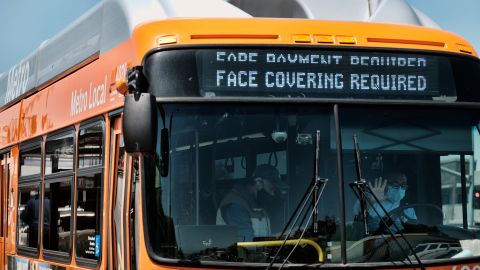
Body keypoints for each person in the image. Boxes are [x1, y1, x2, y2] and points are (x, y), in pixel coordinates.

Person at [216, 164, 286, 242]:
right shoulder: (235, 205)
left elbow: (262, 236)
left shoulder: (258, 203)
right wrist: (284, 237)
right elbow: (247, 242)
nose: (273, 194)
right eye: (271, 189)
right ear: (258, 183)